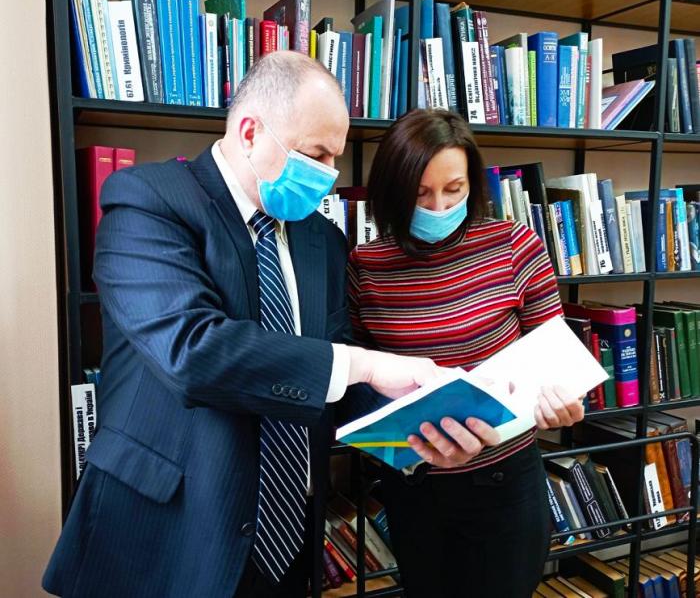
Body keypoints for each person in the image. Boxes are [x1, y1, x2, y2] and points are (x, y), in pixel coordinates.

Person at [42, 52, 501, 598]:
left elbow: (332, 378)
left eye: (335, 157)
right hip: (166, 531)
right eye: (316, 154)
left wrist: (419, 427)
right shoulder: (148, 201)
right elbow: (192, 351)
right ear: (250, 132)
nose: (329, 175)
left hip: (288, 534)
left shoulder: (323, 240)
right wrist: (367, 364)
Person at [348, 109, 586, 598]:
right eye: (420, 193)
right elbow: (358, 381)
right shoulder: (366, 265)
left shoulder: (514, 245)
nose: (438, 207)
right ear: (392, 190)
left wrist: (564, 403)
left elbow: (557, 362)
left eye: (453, 189)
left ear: (472, 184)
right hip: (414, 489)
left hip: (503, 486)